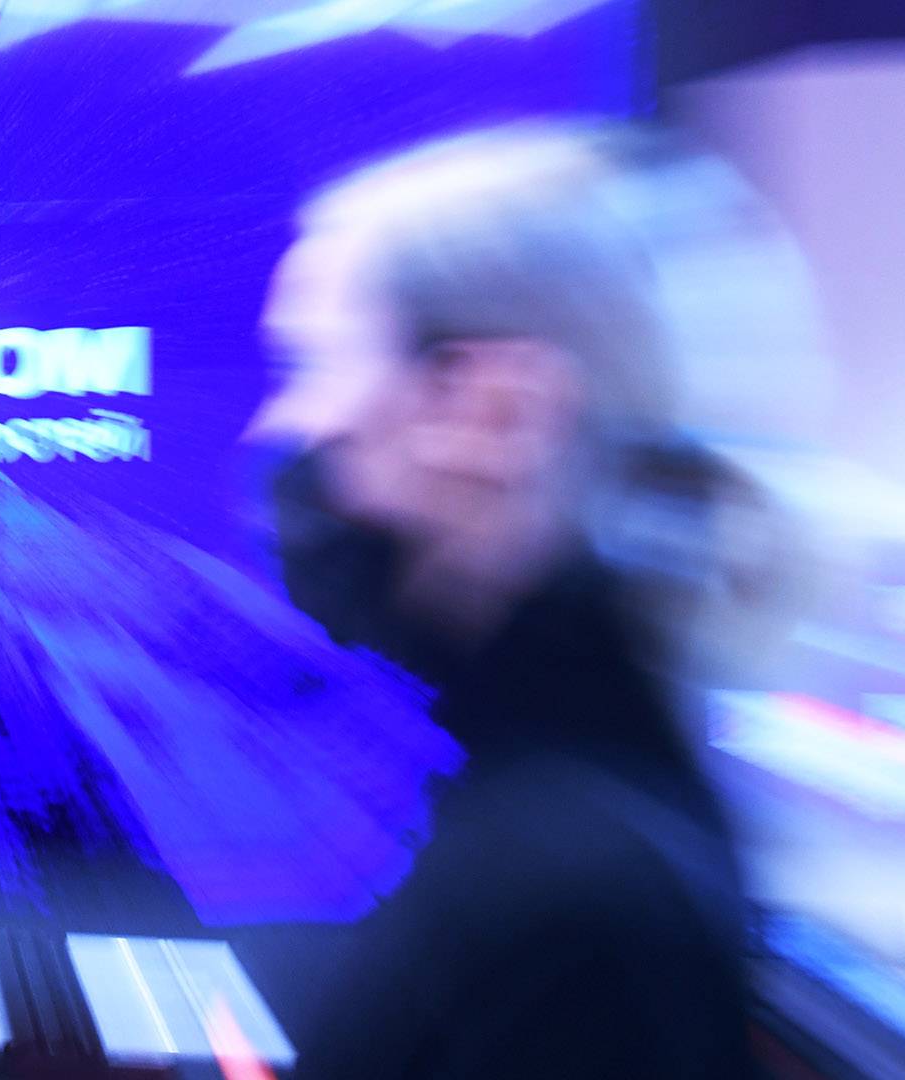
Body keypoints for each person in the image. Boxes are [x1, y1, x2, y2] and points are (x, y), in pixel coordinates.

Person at [250, 122, 763, 1078]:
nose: (285, 427)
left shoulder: (563, 894)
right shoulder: (582, 798)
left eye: (312, 367)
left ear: (489, 408)